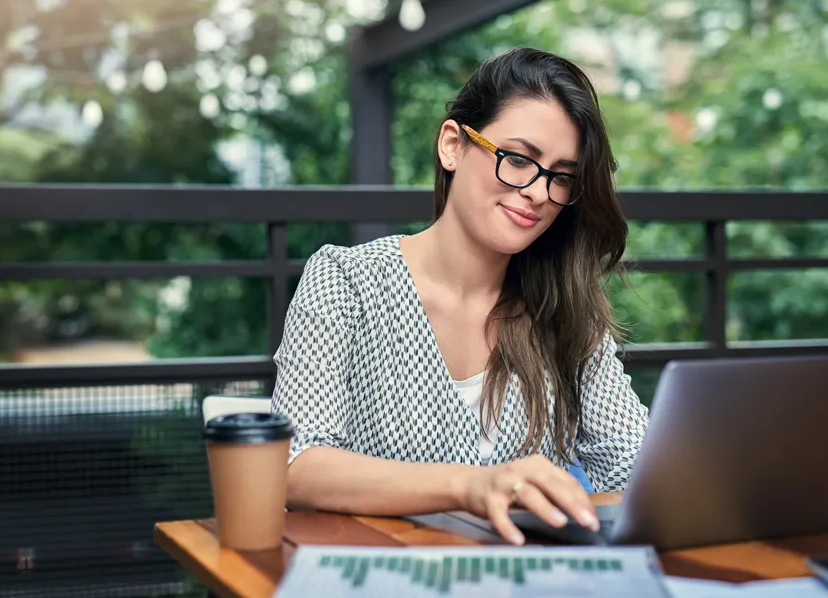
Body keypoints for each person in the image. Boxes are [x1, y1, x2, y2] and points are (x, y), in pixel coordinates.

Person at [271, 47, 649, 546]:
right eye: (518, 160)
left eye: (561, 176)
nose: (539, 192)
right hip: (388, 577)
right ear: (453, 145)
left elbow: (638, 469)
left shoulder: (564, 308)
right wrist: (471, 486)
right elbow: (297, 466)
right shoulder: (346, 281)